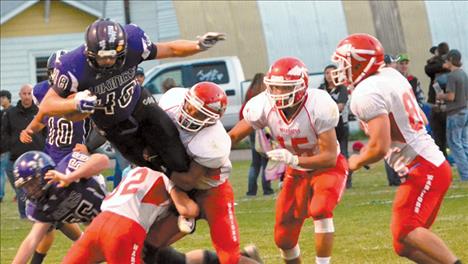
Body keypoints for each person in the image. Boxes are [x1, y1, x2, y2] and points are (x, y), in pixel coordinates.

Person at [23, 18, 226, 187]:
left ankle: (206, 185)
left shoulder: (134, 41)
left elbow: (170, 49)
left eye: (113, 56)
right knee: (153, 169)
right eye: (102, 58)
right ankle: (178, 200)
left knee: (177, 158)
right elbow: (48, 105)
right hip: (110, 123)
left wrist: (197, 46)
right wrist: (74, 103)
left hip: (140, 104)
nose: (108, 63)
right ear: (88, 51)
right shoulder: (72, 66)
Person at [332, 33, 460, 263]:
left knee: (407, 229)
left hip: (422, 167)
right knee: (404, 244)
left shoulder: (365, 92)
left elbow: (379, 148)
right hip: (430, 162)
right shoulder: (390, 74)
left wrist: (355, 162)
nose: (340, 68)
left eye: (345, 62)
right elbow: (421, 116)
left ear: (362, 62)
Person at [229, 57, 348, 264]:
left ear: (301, 87)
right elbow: (232, 137)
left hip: (325, 167)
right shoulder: (263, 105)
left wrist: (293, 158)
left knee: (320, 209)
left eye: (284, 88)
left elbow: (329, 157)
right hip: (296, 169)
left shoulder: (318, 104)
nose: (278, 93)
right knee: (283, 238)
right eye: (274, 87)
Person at [145, 82, 261, 264]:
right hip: (177, 187)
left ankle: (248, 260)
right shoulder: (171, 100)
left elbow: (188, 181)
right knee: (150, 244)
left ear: (212, 120)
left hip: (212, 191)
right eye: (191, 107)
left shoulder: (214, 142)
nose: (191, 114)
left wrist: (156, 161)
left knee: (229, 258)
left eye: (200, 114)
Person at [61, 165, 198, 264]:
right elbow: (187, 211)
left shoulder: (137, 170)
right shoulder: (166, 175)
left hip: (99, 223)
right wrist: (196, 208)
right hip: (125, 229)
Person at [12, 150, 109, 264]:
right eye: (26, 186)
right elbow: (31, 240)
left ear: (45, 172)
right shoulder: (41, 205)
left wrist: (70, 177)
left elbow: (103, 161)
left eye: (32, 183)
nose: (31, 190)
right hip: (96, 229)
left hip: (118, 217)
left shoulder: (66, 168)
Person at [2, 84, 45, 218]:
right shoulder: (10, 113)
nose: (27, 97)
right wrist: (11, 145)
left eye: (29, 94)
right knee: (21, 190)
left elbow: (47, 133)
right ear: (20, 95)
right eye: (24, 94)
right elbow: (4, 133)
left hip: (38, 157)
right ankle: (24, 216)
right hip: (16, 157)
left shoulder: (40, 111)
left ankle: (41, 213)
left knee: (39, 189)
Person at [436, 49, 468, 181]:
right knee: (464, 143)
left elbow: (450, 96)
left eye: (446, 60)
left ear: (450, 60)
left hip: (455, 114)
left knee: (455, 145)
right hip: (465, 111)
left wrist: (440, 95)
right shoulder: (463, 74)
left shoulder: (452, 76)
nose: (444, 62)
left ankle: (465, 175)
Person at [319, 64, 352, 188]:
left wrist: (326, 107)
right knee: (327, 155)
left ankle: (347, 181)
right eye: (327, 73)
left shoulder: (342, 89)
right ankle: (330, 181)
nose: (329, 76)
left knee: (343, 154)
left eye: (332, 73)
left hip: (341, 125)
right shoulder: (321, 89)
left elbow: (340, 106)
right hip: (326, 127)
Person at [241, 73, 274, 196]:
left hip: (251, 129)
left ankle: (251, 190)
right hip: (264, 129)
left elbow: (243, 113)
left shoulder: (249, 93)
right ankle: (267, 189)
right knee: (265, 160)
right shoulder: (264, 95)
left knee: (255, 162)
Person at [425, 42, 450, 157]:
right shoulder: (445, 64)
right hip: (444, 104)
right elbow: (428, 69)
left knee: (440, 136)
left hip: (442, 104)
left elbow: (428, 68)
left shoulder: (444, 64)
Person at [0, 89, 13, 202]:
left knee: (9, 171)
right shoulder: (2, 113)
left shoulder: (12, 112)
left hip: (9, 148)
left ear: (8, 99)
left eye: (3, 97)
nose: (1, 100)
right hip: (2, 148)